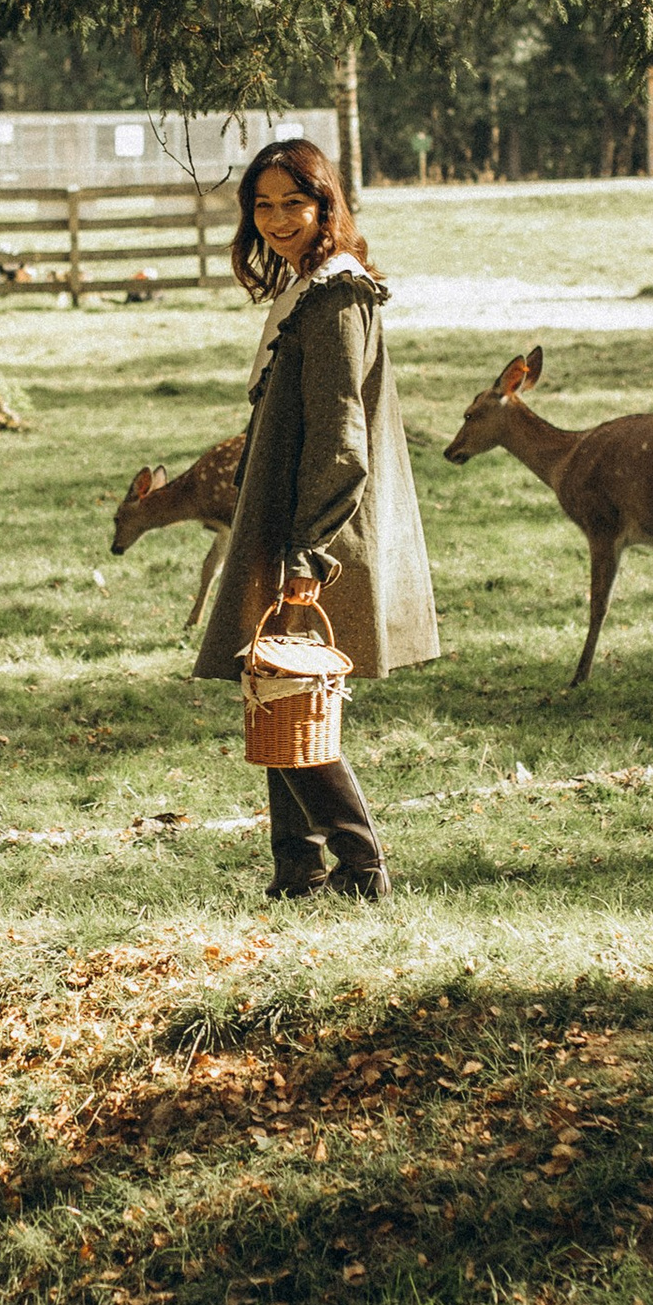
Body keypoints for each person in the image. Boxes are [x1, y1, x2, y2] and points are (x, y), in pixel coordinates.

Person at [194, 137, 439, 900]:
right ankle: (297, 870)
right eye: (262, 206)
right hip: (286, 522)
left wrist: (308, 550)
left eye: (293, 203)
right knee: (273, 686)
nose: (276, 220)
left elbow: (341, 436)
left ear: (325, 205)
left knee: (292, 695)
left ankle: (361, 868)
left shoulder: (337, 297)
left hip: (315, 533)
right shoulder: (306, 290)